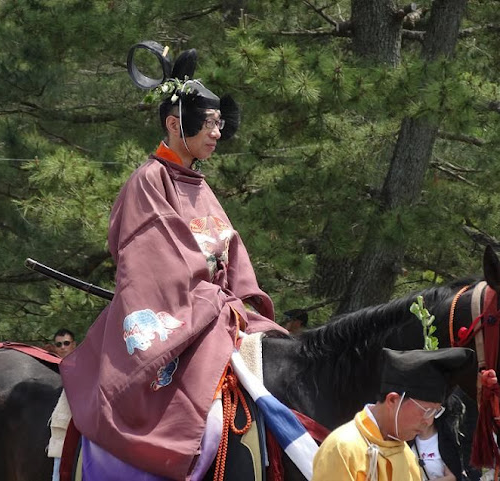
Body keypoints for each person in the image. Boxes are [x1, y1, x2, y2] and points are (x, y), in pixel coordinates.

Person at [59, 41, 286, 481]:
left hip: (215, 307)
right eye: (210, 123)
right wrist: (210, 299)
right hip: (172, 312)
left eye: (221, 123)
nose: (218, 133)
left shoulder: (199, 184)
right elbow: (155, 260)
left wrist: (237, 298)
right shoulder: (149, 180)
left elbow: (229, 248)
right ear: (174, 123)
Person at [312, 347, 475, 481]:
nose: (429, 421)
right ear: (392, 400)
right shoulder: (343, 448)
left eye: (435, 412)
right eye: (426, 411)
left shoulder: (405, 452)